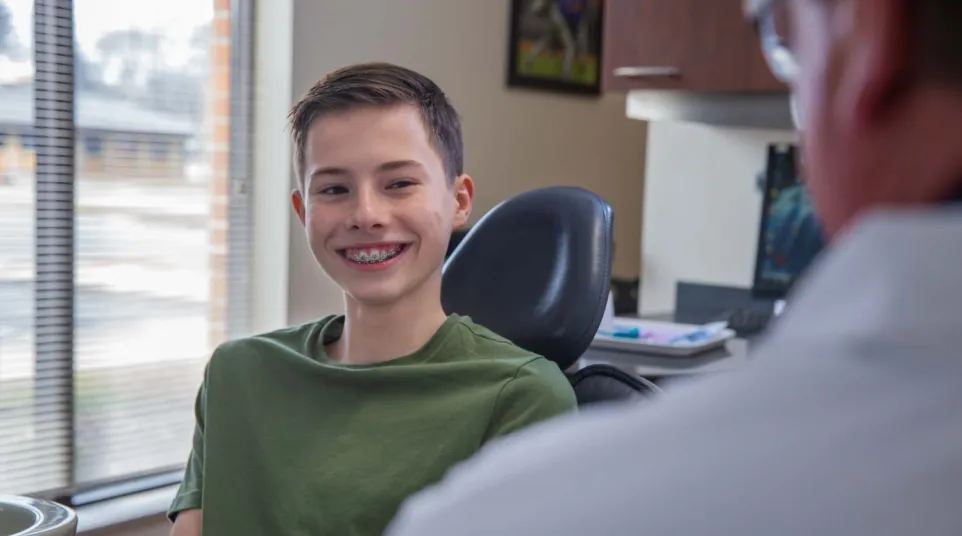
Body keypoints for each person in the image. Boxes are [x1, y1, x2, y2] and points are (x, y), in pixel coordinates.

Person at [385, 0, 962, 534]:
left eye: (780, 29)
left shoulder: (497, 516)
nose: (369, 216)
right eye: (333, 186)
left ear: (867, 33)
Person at [167, 63, 577, 536]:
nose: (366, 214)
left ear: (459, 201)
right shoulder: (237, 374)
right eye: (334, 189)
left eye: (399, 183)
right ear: (303, 212)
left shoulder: (523, 398)